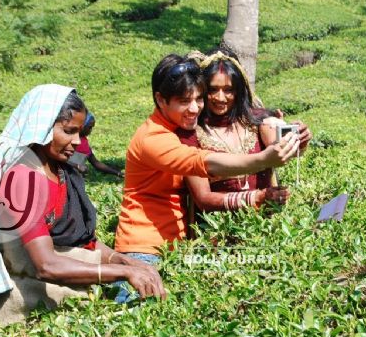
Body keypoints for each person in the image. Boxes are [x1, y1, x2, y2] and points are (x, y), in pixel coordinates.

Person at [0, 84, 165, 330]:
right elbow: (46, 265)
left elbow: (84, 243)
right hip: (29, 318)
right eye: (69, 131)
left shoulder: (62, 173)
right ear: (43, 128)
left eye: (79, 132)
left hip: (70, 305)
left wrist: (124, 261)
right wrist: (122, 273)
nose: (77, 142)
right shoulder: (22, 180)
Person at [113, 54, 301, 263]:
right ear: (160, 99)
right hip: (145, 249)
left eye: (198, 99)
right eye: (184, 101)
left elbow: (266, 122)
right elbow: (202, 164)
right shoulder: (154, 138)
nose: (194, 108)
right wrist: (263, 162)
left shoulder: (180, 126)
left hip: (176, 246)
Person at [176, 48, 312, 214]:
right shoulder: (190, 135)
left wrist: (299, 141)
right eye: (213, 90)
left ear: (238, 91)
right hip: (217, 232)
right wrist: (255, 198)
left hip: (264, 228)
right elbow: (203, 198)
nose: (220, 98)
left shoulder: (257, 120)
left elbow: (280, 149)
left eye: (228, 90)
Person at [68, 111, 125, 178]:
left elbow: (96, 163)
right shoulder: (70, 140)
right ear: (81, 125)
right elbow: (61, 159)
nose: (91, 130)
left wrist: (117, 173)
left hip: (77, 178)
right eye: (89, 127)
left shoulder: (84, 144)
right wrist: (77, 166)